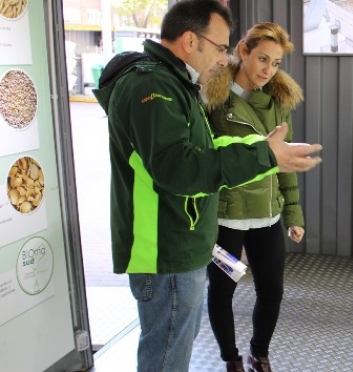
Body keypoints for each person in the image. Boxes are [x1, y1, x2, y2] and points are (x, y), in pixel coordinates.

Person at [92, 3, 322, 372]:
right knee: (167, 355)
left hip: (183, 246)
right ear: (189, 41)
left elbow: (207, 148)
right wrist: (265, 156)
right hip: (166, 252)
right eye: (220, 47)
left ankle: (255, 353)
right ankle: (231, 357)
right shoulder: (155, 86)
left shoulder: (177, 85)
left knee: (176, 348)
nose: (223, 58)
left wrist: (266, 153)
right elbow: (179, 168)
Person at [202, 22, 305, 372]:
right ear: (243, 51)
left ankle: (259, 354)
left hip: (266, 215)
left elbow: (285, 161)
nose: (267, 69)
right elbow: (203, 161)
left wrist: (294, 215)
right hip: (225, 217)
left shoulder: (278, 102)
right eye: (262, 58)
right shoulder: (212, 98)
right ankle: (230, 359)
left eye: (275, 63)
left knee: (272, 291)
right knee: (222, 290)